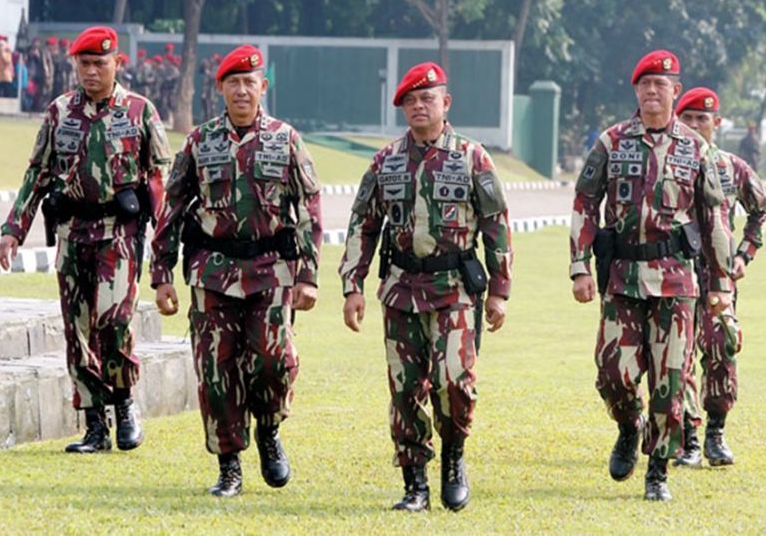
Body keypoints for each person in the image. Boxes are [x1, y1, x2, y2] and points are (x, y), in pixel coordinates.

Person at [150, 44, 322, 498]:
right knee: (214, 368)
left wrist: (309, 275)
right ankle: (229, 465)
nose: (242, 90)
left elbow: (309, 209)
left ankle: (268, 428)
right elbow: (171, 207)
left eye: (250, 82)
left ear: (263, 87)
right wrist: (162, 274)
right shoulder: (199, 141)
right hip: (213, 271)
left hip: (272, 270)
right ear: (221, 89)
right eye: (233, 83)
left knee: (273, 360)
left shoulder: (286, 140)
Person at [339, 62, 512, 512]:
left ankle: (453, 459)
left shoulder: (474, 158)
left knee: (455, 382)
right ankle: (414, 482)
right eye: (411, 101)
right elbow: (363, 224)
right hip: (400, 288)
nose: (419, 106)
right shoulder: (385, 161)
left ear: (445, 103)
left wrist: (499, 291)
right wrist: (351, 285)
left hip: (454, 288)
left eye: (427, 98)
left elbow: (496, 226)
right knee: (405, 387)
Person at [0, 26, 172, 454]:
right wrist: (13, 229)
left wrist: (167, 245)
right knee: (77, 330)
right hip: (73, 234)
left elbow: (159, 182)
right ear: (75, 64)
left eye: (100, 63)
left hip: (120, 235)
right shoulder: (59, 113)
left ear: (117, 63)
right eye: (84, 63)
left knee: (113, 322)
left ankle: (125, 403)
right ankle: (95, 424)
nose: (91, 71)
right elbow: (36, 174)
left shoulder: (139, 111)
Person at [569, 50, 734, 501]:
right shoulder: (611, 142)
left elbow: (714, 214)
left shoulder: (696, 149)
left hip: (677, 281)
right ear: (636, 91)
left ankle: (658, 471)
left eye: (661, 85)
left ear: (675, 92)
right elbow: (585, 202)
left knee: (671, 379)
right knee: (613, 374)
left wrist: (721, 283)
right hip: (622, 276)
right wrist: (579, 266)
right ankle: (628, 427)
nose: (651, 92)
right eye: (644, 84)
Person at [673, 87, 766, 468]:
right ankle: (688, 438)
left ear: (717, 123)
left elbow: (760, 210)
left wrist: (745, 254)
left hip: (718, 276)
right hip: (675, 271)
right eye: (688, 118)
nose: (695, 125)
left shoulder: (734, 167)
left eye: (702, 118)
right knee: (676, 356)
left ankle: (716, 433)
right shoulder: (669, 164)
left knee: (721, 349)